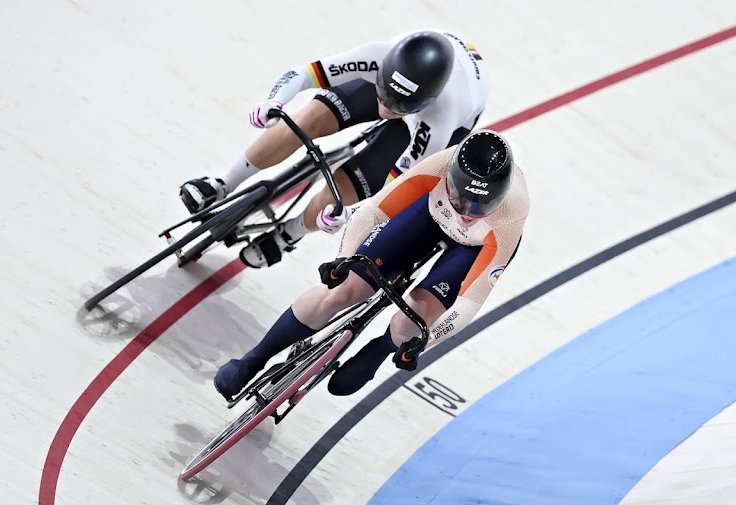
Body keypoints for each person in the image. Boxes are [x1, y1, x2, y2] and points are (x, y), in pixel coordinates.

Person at [213, 130, 528, 400]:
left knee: (412, 324)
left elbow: (468, 303)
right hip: (428, 216)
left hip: (470, 249)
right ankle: (254, 359)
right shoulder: (439, 166)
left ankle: (379, 349)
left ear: (499, 199)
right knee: (340, 290)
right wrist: (343, 259)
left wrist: (424, 342)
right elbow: (372, 213)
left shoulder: (511, 215)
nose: (468, 212)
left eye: (481, 205)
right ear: (449, 179)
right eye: (460, 200)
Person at [179, 30, 490, 268]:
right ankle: (223, 184)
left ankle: (292, 232)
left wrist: (351, 214)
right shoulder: (378, 55)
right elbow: (303, 75)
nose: (385, 108)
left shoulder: (442, 117)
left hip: (445, 116)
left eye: (399, 106)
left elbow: (397, 190)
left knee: (345, 191)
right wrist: (273, 102)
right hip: (409, 82)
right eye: (383, 94)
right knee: (309, 118)